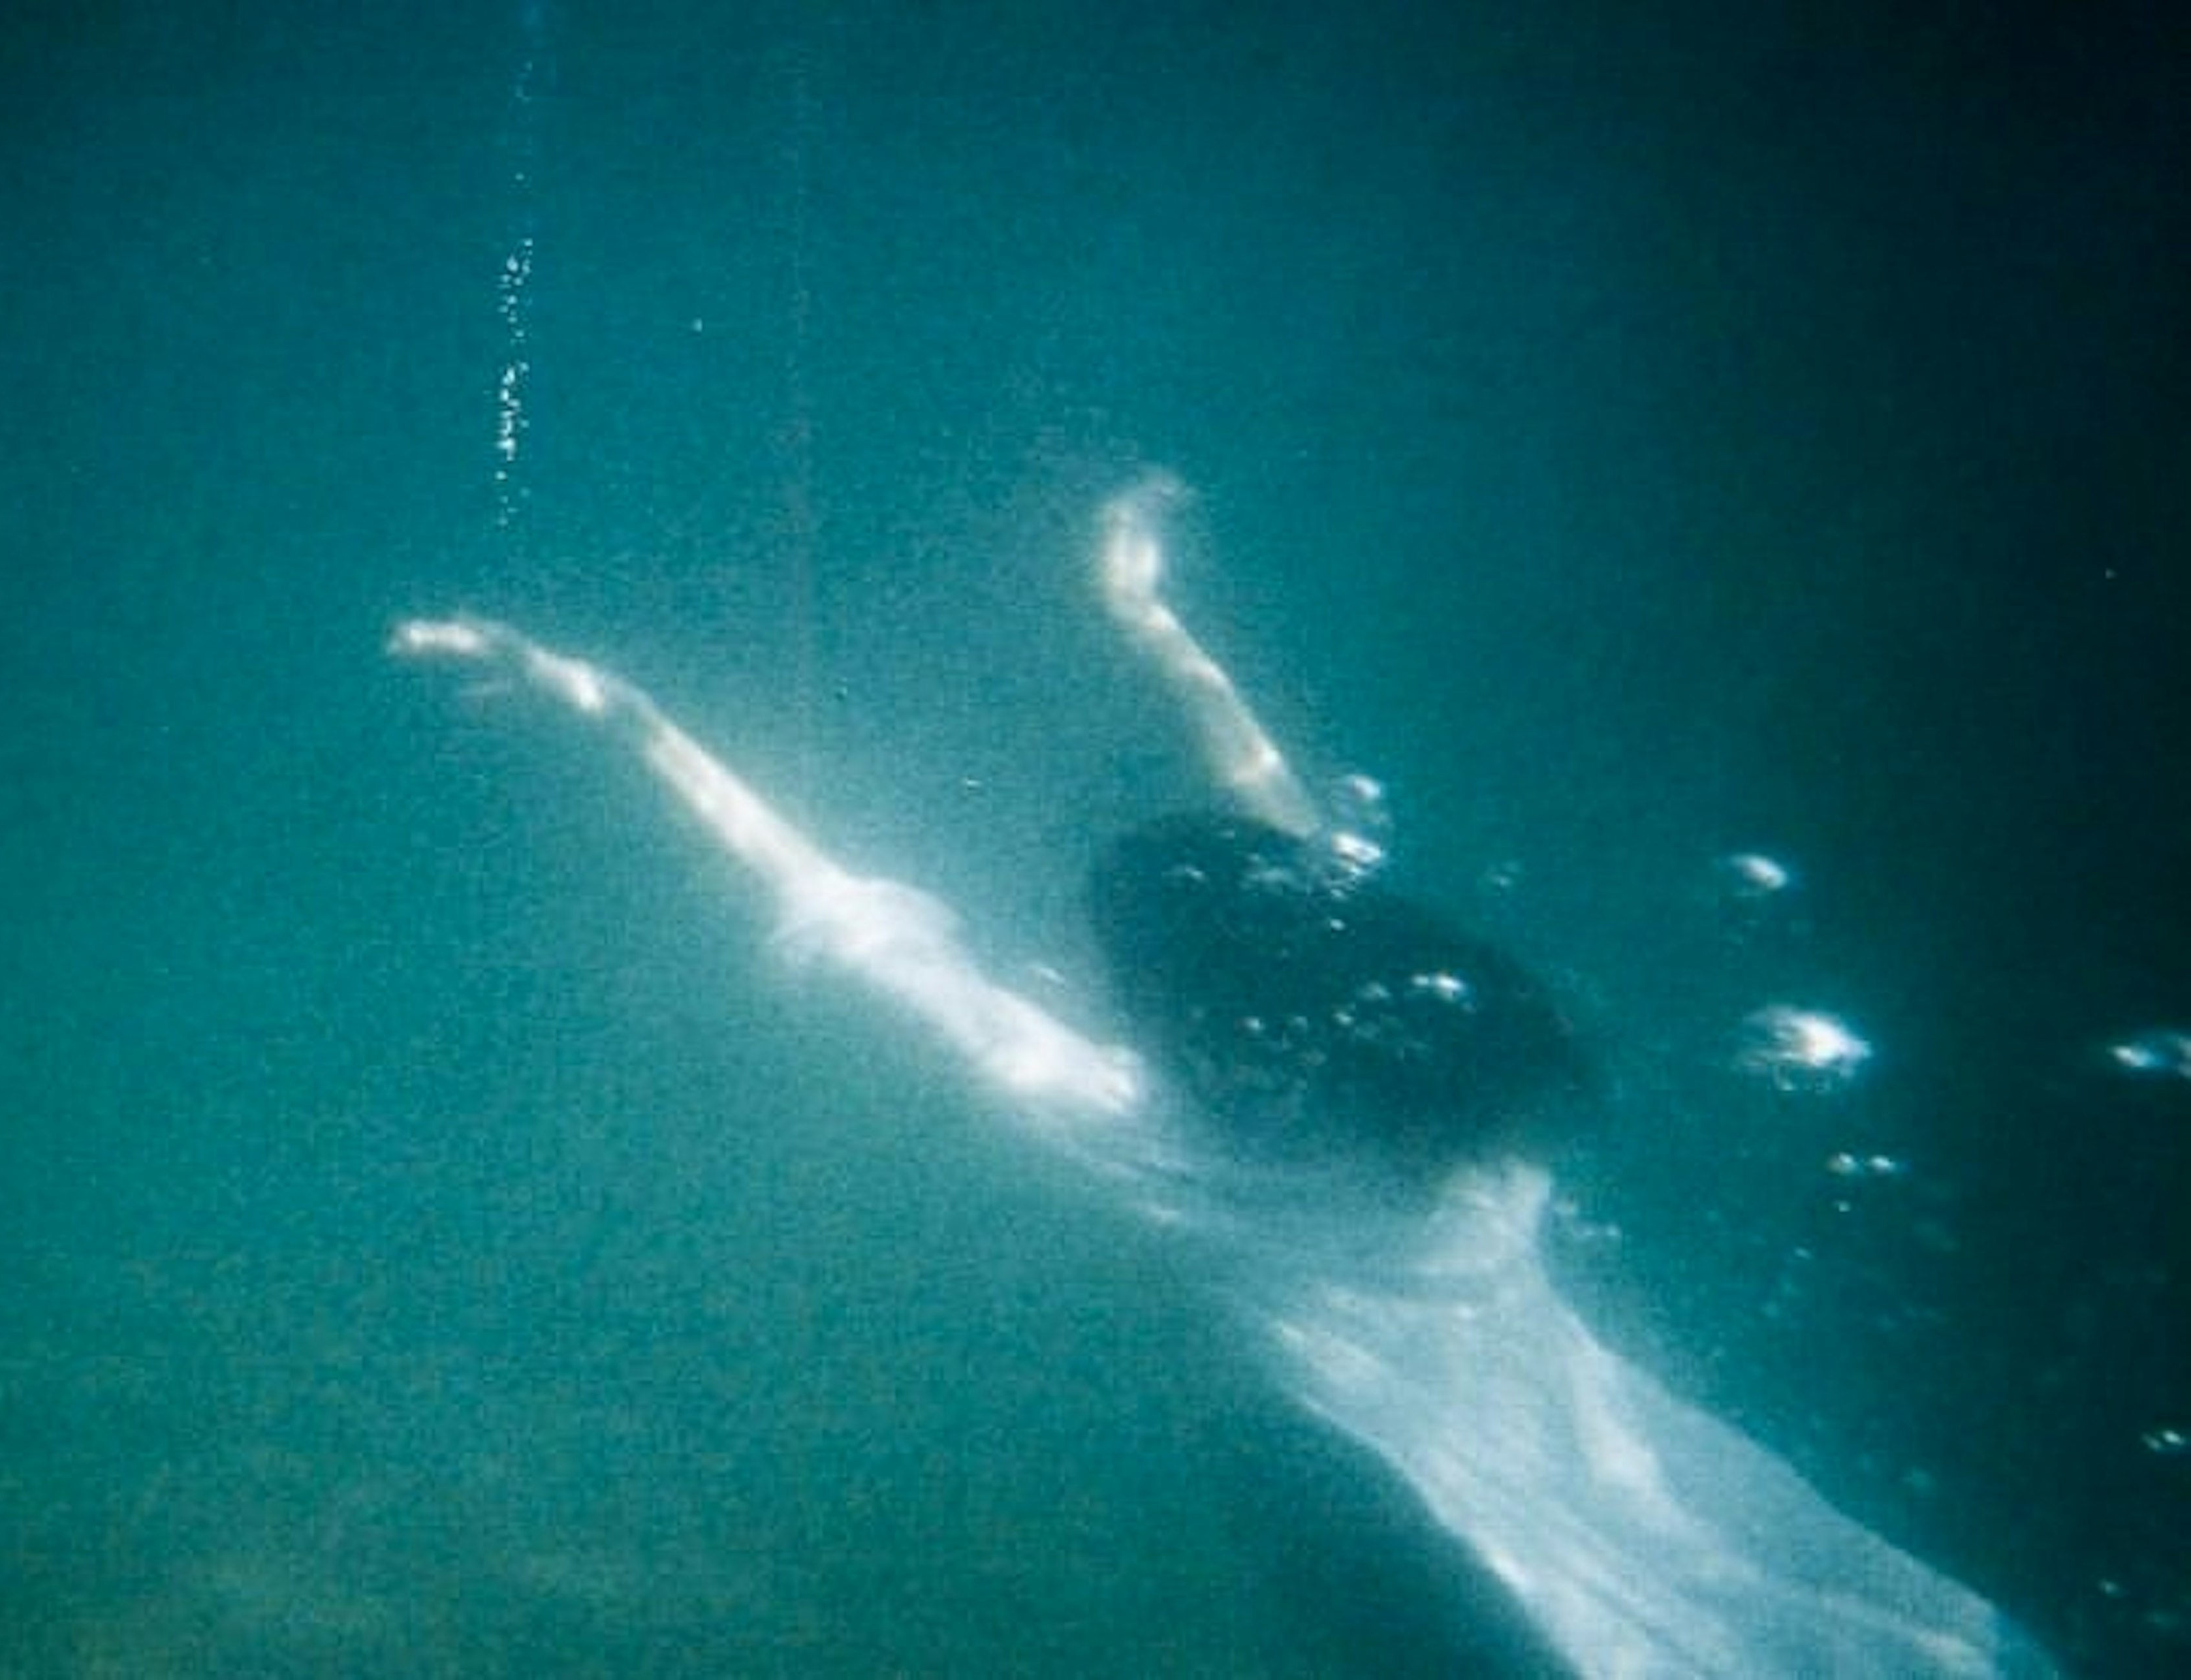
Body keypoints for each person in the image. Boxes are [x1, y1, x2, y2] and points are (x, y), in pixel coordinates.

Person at [392, 476, 2056, 1676]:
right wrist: (1148, 620)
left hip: (1404, 1511)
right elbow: (1276, 828)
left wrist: (610, 715)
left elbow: (815, 894)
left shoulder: (1128, 1135)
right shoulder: (1430, 1055)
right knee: (1841, 1626)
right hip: (1618, 1449)